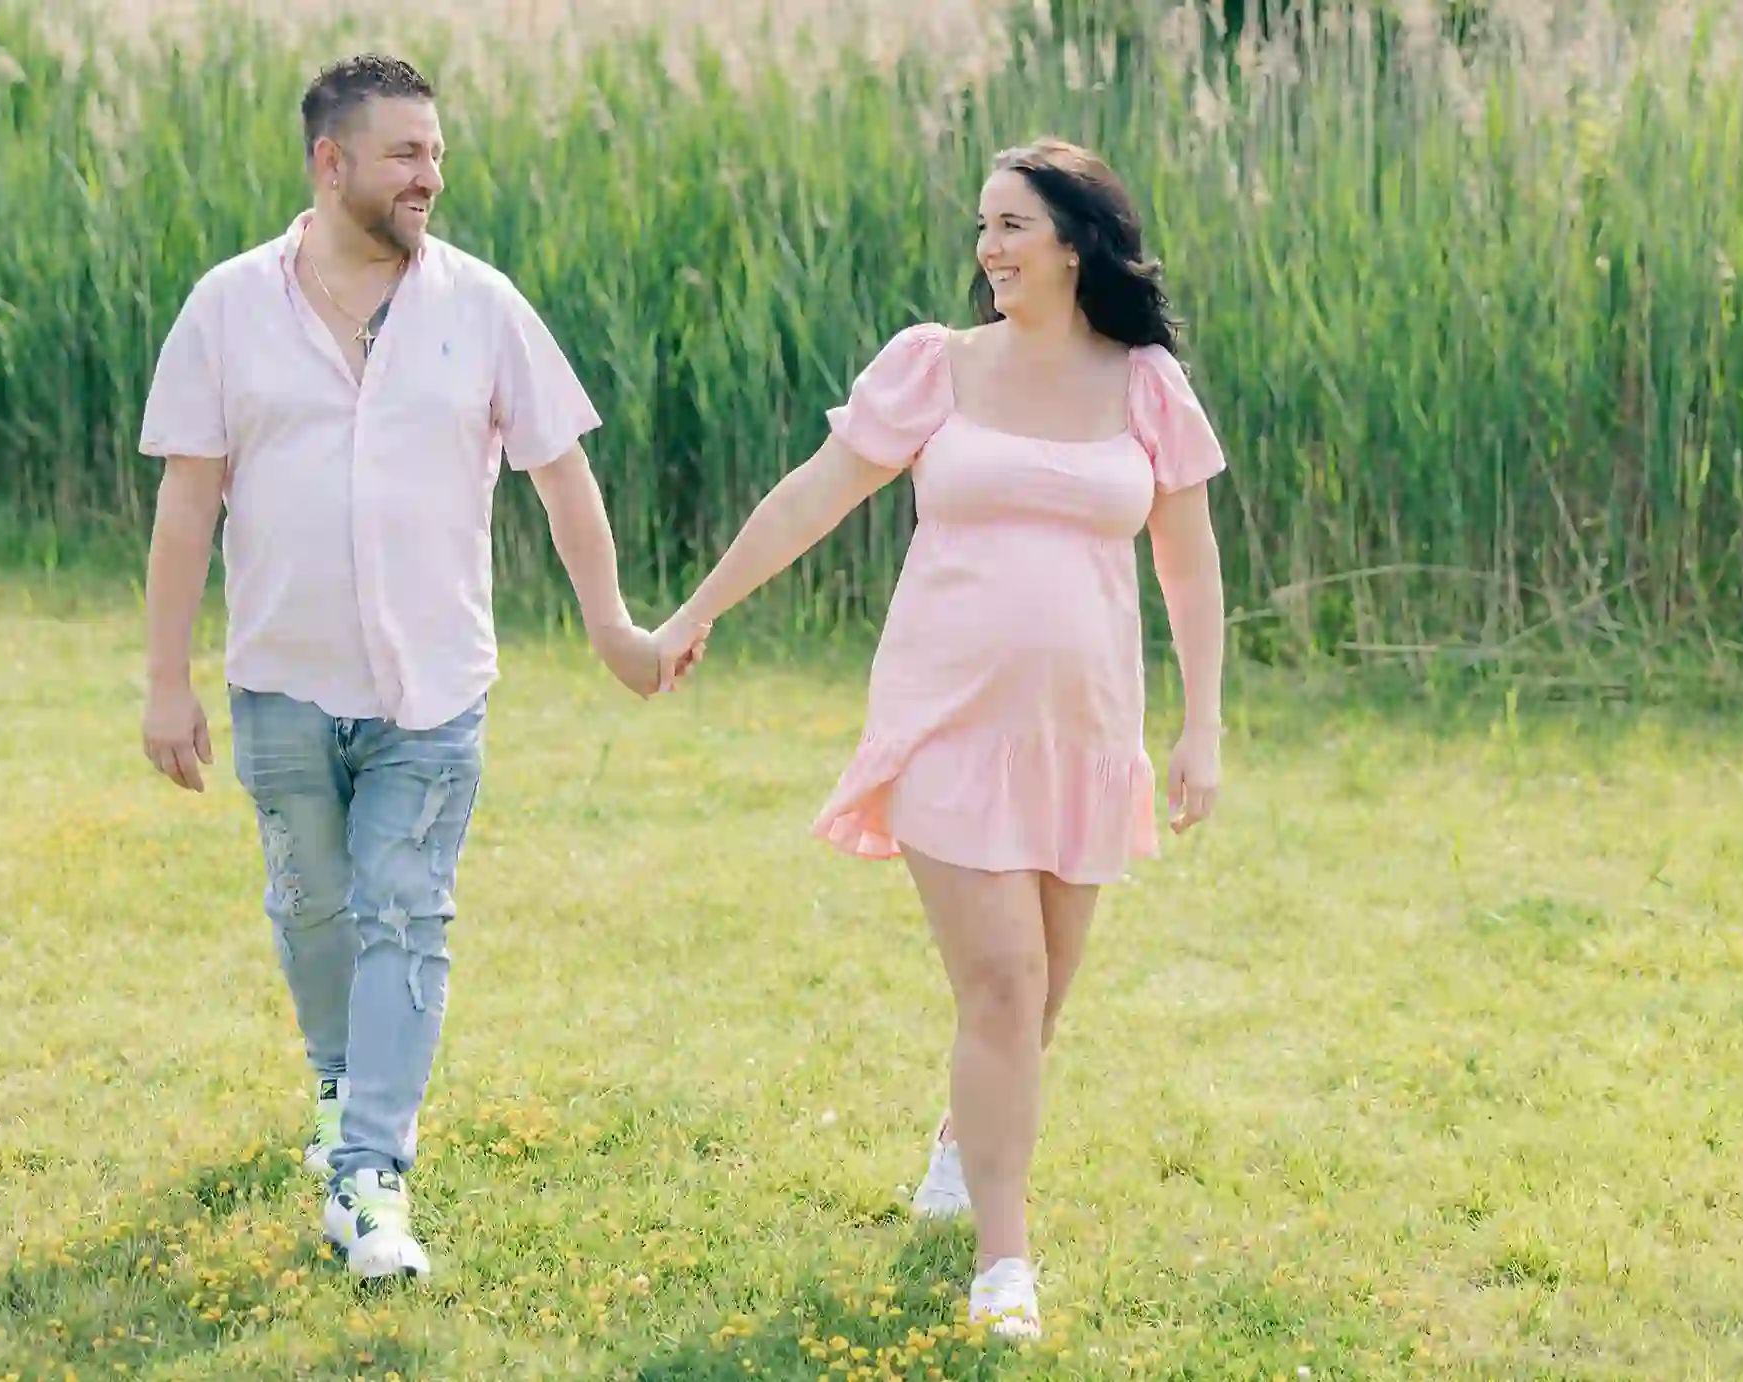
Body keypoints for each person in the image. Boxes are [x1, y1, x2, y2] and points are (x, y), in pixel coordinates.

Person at [649, 137, 1230, 1339]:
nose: (988, 249)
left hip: (1084, 732)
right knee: (1005, 983)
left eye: (1010, 225)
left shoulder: (1145, 384)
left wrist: (1201, 725)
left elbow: (1188, 558)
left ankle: (965, 1140)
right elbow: (813, 494)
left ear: (1073, 241)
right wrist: (694, 611)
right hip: (948, 722)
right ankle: (1001, 1264)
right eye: (982, 227)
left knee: (1038, 997)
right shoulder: (936, 367)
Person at [135, 53, 658, 1281]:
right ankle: (338, 1087)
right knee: (311, 908)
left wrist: (611, 623)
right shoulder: (226, 305)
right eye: (406, 154)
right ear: (331, 164)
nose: (432, 174)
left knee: (405, 914)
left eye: (435, 151)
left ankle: (371, 1173)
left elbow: (562, 475)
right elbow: (185, 502)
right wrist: (167, 680)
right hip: (282, 677)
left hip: (433, 688)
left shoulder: (480, 306)